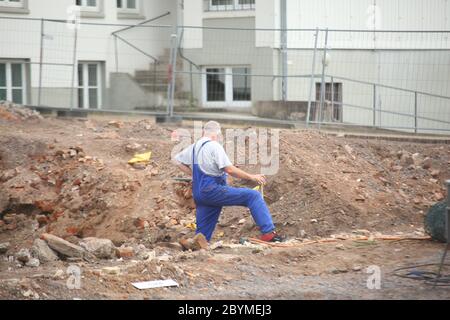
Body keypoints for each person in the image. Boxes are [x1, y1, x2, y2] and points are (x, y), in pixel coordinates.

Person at [174, 121, 282, 243]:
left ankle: (198, 248)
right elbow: (229, 169)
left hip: (199, 194)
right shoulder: (214, 145)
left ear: (205, 132)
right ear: (216, 133)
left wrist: (194, 174)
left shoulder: (195, 146)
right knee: (253, 196)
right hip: (212, 190)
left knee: (202, 237)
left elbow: (177, 160)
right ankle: (268, 234)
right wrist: (252, 177)